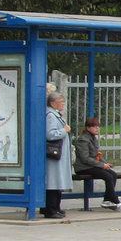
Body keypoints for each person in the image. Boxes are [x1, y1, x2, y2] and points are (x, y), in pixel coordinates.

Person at [73, 117, 121, 211]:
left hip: (91, 166)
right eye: (94, 127)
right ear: (88, 128)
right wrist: (102, 165)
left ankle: (107, 200)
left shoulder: (92, 138)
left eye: (98, 126)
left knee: (113, 174)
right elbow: (85, 158)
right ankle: (116, 201)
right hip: (83, 167)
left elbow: (96, 154)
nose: (97, 129)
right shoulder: (83, 140)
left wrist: (105, 163)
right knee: (108, 176)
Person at [43, 84, 72, 219]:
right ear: (53, 103)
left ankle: (56, 207)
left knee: (57, 181)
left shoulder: (55, 114)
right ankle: (51, 209)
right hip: (54, 154)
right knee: (53, 182)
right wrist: (64, 131)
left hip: (59, 154)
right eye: (61, 102)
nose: (63, 105)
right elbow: (50, 134)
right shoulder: (50, 115)